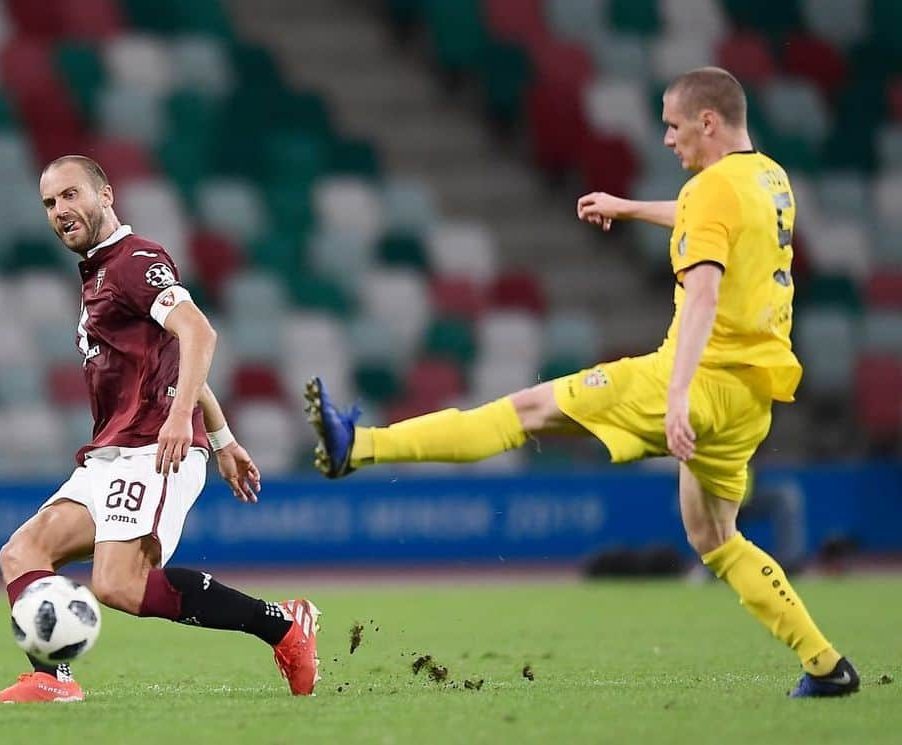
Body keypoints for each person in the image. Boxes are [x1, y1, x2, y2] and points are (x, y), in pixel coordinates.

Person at [305, 67, 858, 698]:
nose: (668, 139)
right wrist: (628, 208)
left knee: (527, 410)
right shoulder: (769, 178)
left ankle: (362, 446)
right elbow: (704, 214)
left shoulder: (712, 191)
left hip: (692, 381)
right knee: (717, 539)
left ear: (708, 122)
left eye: (673, 126)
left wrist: (676, 396)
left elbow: (703, 293)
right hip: (752, 399)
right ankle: (825, 664)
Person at [0, 155, 319, 703]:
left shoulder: (136, 261)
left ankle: (281, 627)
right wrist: (226, 437)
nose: (60, 211)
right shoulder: (97, 272)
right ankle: (53, 678)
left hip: (152, 449)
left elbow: (198, 333)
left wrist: (181, 422)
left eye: (71, 195)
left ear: (106, 194)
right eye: (49, 203)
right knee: (21, 552)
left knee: (116, 585)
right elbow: (166, 355)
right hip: (112, 451)